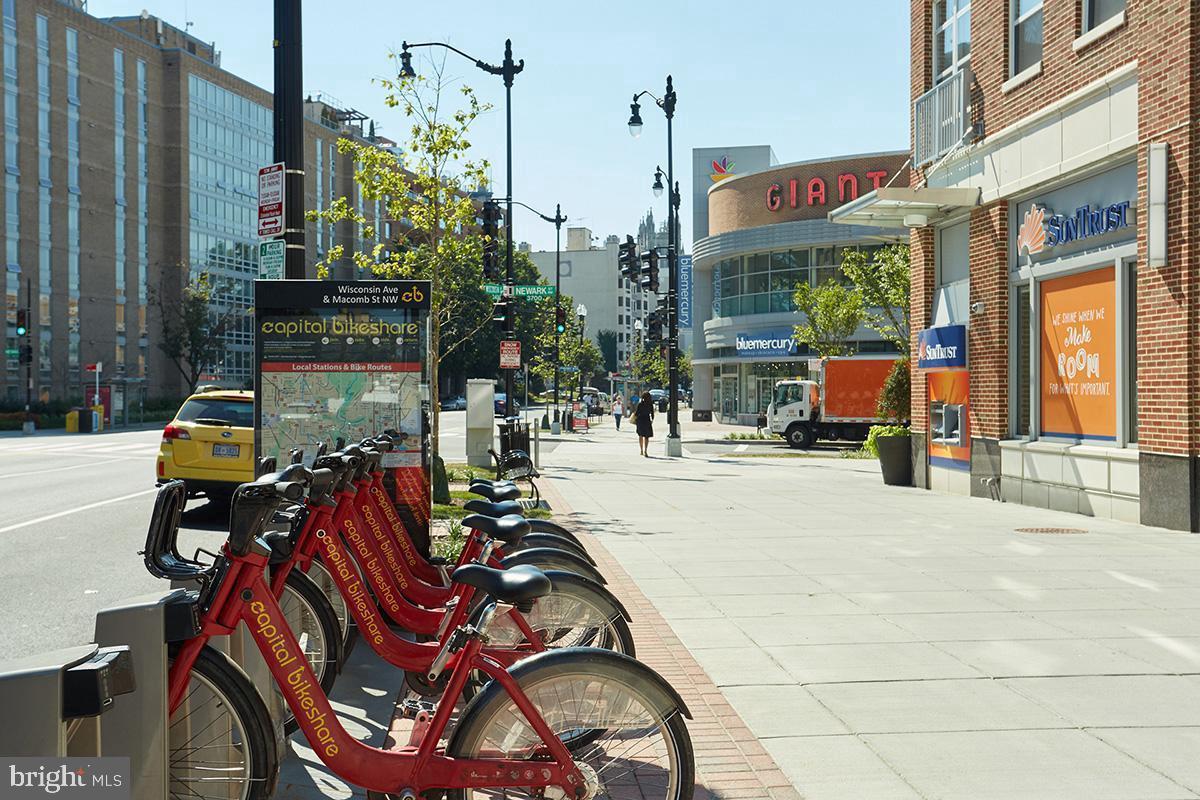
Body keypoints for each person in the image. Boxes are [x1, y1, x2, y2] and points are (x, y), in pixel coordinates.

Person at [634, 390, 654, 457]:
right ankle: (646, 450)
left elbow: (637, 413)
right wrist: (652, 420)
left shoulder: (640, 404)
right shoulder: (650, 404)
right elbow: (652, 414)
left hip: (640, 420)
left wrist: (634, 418)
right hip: (647, 420)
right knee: (646, 436)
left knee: (640, 435)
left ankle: (641, 450)